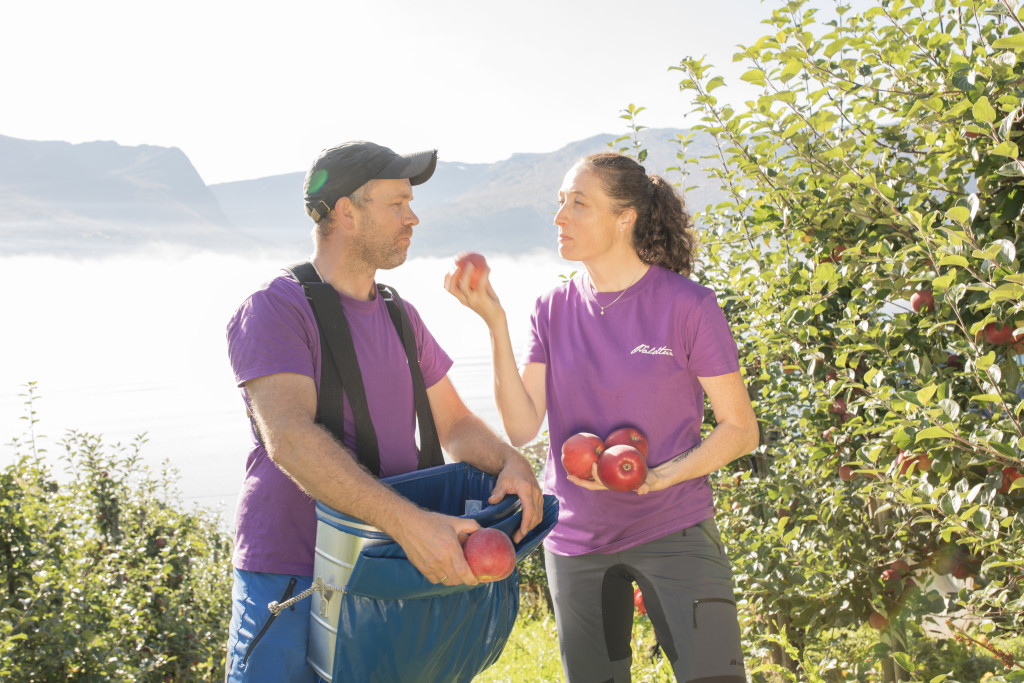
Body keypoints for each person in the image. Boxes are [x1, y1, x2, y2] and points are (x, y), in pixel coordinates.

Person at [224, 140, 544, 682]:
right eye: (397, 203)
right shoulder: (275, 308)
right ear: (346, 211)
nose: (413, 217)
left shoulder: (401, 314)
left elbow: (456, 424)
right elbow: (291, 438)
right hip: (294, 570)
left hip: (385, 568)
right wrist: (410, 524)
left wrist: (511, 462)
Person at [446, 152, 759, 682]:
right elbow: (523, 427)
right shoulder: (552, 307)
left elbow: (740, 430)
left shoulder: (689, 306)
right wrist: (495, 323)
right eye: (560, 202)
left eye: (578, 204)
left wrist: (660, 477)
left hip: (674, 527)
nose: (560, 216)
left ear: (625, 218)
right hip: (577, 543)